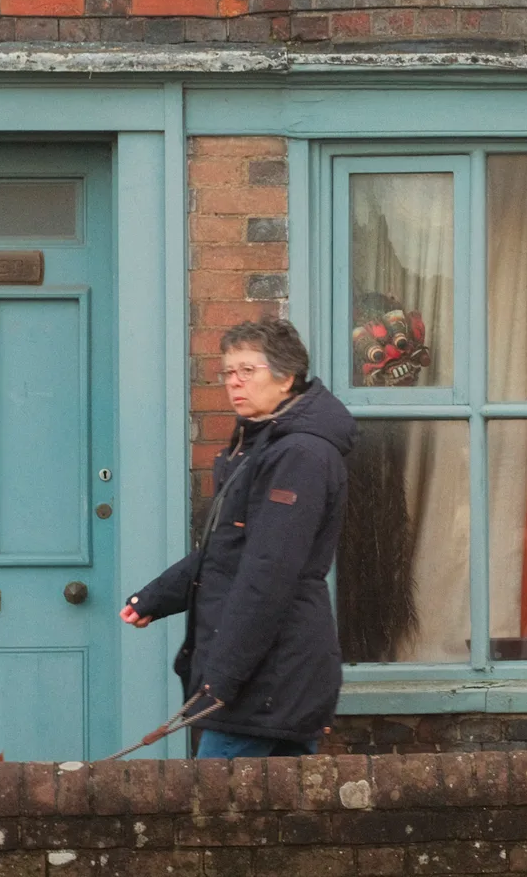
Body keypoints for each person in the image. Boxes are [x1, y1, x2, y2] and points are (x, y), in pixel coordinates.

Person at [119, 317, 355, 758]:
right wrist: (157, 596)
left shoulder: (299, 454)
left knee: (209, 816)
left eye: (248, 370)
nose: (233, 383)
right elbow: (226, 550)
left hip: (270, 683)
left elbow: (268, 574)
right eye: (228, 372)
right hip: (260, 682)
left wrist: (223, 678)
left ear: (286, 377)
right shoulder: (260, 445)